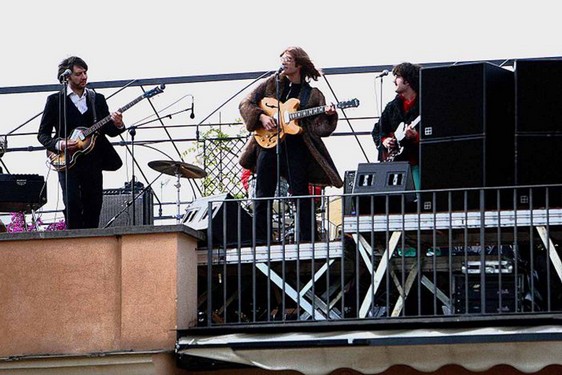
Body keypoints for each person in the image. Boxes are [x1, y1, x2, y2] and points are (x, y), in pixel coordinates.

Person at [239, 46, 343, 243]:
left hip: (297, 147)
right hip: (268, 145)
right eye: (282, 59)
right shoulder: (271, 84)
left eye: (288, 59)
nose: (283, 62)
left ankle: (307, 239)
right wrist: (261, 118)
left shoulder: (312, 95)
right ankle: (261, 240)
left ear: (299, 64)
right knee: (262, 194)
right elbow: (245, 104)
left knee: (301, 194)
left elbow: (319, 129)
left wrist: (329, 116)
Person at [38, 56, 125, 229]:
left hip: (93, 162)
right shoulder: (55, 101)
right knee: (72, 204)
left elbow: (109, 131)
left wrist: (118, 124)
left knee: (94, 205)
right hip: (67, 162)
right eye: (78, 74)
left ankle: (91, 247)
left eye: (85, 73)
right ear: (67, 77)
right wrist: (59, 144)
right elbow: (43, 134)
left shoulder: (97, 99)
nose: (84, 77)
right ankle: (74, 247)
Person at [371, 62, 421, 189]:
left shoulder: (424, 104)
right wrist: (385, 140)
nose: (394, 80)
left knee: (419, 201)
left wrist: (416, 136)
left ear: (407, 81)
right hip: (395, 166)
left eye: (397, 76)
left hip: (418, 163)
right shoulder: (392, 106)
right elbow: (377, 130)